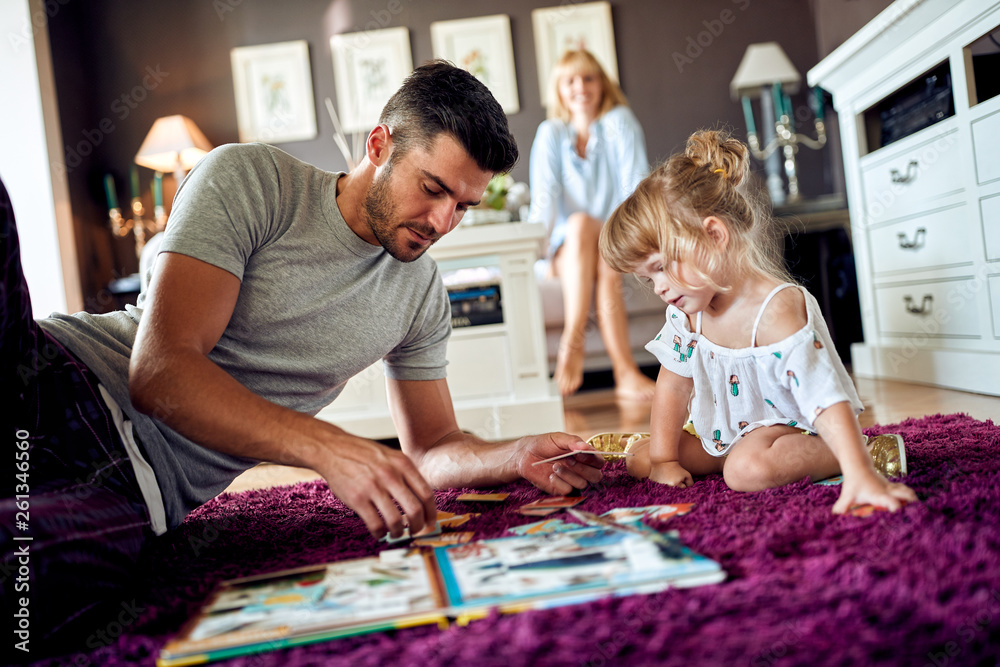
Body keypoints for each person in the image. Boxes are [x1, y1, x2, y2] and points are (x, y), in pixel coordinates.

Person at [1, 61, 604, 653]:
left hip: (135, 489)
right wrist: (326, 447)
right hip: (54, 378)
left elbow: (432, 447)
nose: (443, 222)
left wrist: (515, 452)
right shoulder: (251, 180)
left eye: (464, 206)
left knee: (29, 581)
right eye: (433, 189)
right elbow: (160, 373)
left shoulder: (420, 294)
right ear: (378, 145)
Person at [597, 129, 917, 514]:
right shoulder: (687, 312)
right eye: (651, 278)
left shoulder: (776, 309)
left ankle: (859, 452)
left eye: (663, 267)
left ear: (714, 235)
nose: (660, 288)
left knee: (746, 471)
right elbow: (673, 386)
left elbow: (823, 395)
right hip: (720, 435)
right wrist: (666, 460)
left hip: (785, 431)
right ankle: (716, 458)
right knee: (643, 458)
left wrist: (860, 475)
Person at [527, 49, 657, 400]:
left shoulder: (619, 123)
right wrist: (531, 255)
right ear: (559, 90)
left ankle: (596, 355)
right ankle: (617, 366)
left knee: (602, 251)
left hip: (611, 242)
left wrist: (628, 240)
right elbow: (544, 200)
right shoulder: (551, 133)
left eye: (588, 78)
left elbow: (635, 188)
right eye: (570, 80)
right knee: (580, 225)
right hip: (563, 251)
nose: (580, 87)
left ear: (602, 84)